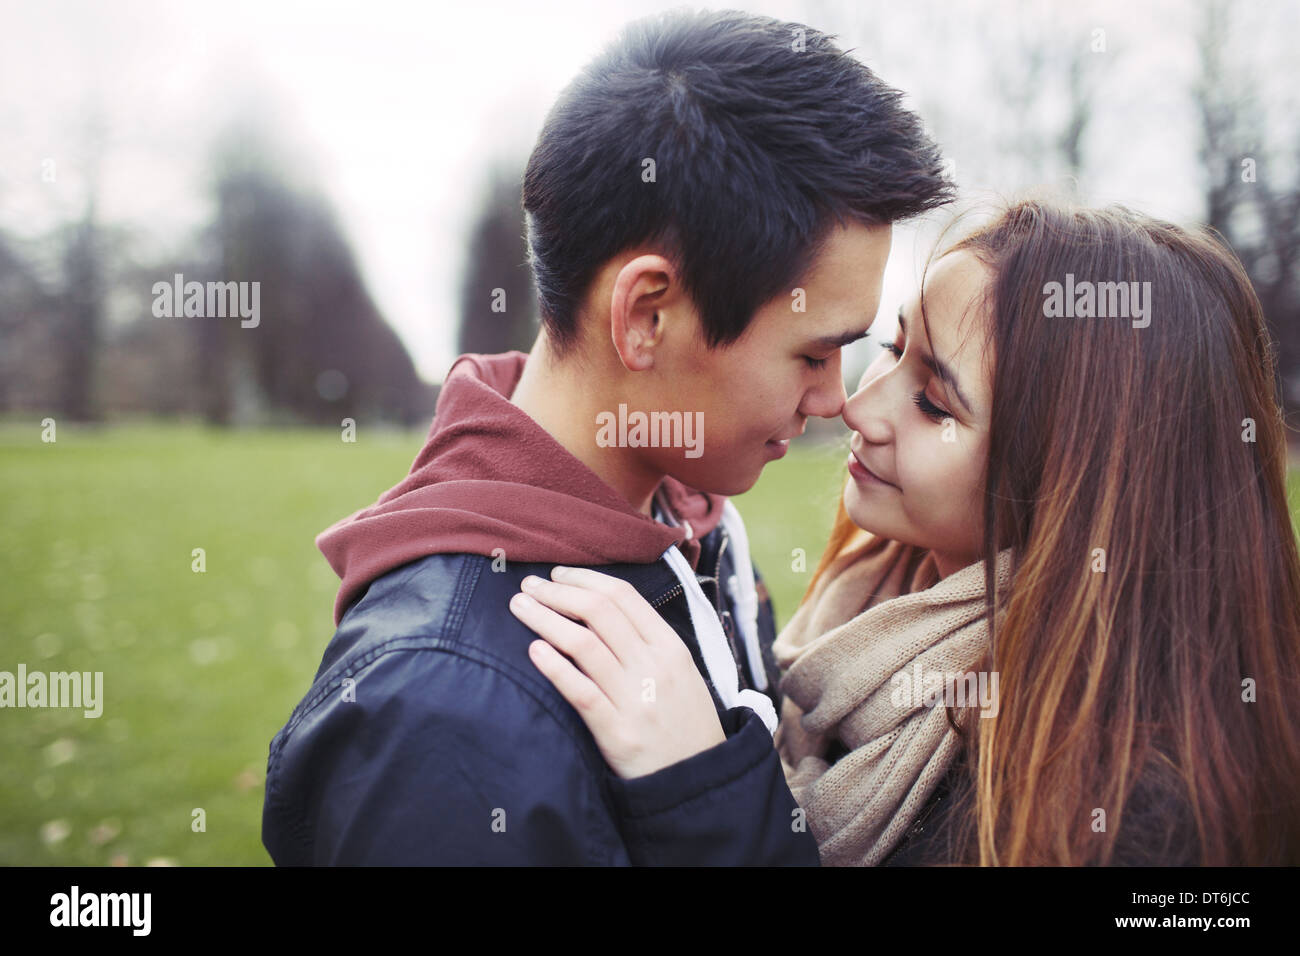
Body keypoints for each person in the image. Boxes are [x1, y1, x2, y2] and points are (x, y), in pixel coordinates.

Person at [261, 9, 953, 865]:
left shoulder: (686, 518)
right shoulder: (442, 718)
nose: (832, 402)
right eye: (814, 354)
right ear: (647, 316)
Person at [513, 197, 1300, 865]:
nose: (858, 406)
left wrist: (703, 795)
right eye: (892, 348)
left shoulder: (1137, 819)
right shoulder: (865, 613)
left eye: (934, 401)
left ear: (1075, 481)